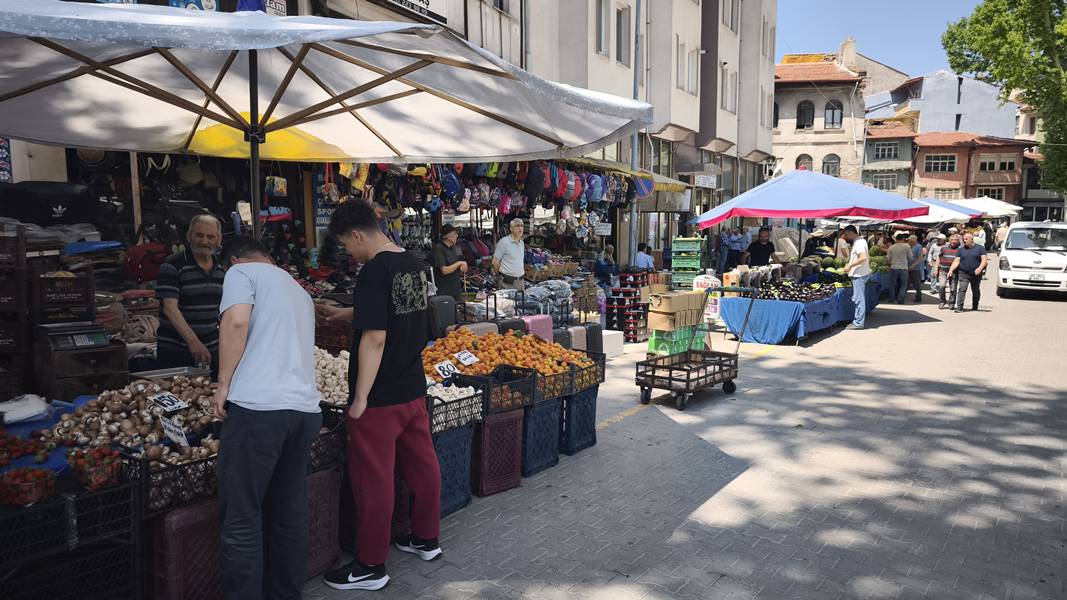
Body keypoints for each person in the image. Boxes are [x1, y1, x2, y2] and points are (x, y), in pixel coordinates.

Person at [321, 200, 442, 592]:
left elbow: (375, 337)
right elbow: (400, 313)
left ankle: (371, 565)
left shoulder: (375, 270)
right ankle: (426, 538)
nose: (350, 254)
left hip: (382, 397)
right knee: (423, 465)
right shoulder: (414, 262)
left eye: (346, 245)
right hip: (412, 386)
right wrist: (344, 315)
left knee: (373, 480)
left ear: (356, 234)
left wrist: (359, 398)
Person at [213, 235, 322, 600]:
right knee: (288, 514)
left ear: (233, 258)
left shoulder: (241, 273)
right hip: (304, 412)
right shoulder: (299, 290)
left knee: (242, 517)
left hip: (259, 410)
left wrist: (223, 383)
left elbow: (236, 324)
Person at [155, 214, 226, 375]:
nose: (204, 241)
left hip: (212, 348)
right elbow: (170, 308)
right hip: (175, 350)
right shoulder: (172, 265)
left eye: (210, 236)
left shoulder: (222, 268)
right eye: (199, 235)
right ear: (189, 236)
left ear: (218, 239)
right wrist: (194, 342)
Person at [948, 231, 988, 313]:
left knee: (975, 290)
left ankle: (975, 305)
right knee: (962, 289)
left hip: (976, 274)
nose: (964, 240)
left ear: (971, 239)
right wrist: (951, 270)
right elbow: (956, 261)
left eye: (966, 239)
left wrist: (980, 268)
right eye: (963, 239)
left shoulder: (980, 248)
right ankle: (959, 307)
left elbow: (984, 260)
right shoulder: (960, 250)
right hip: (963, 273)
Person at [840, 225, 871, 330]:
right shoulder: (860, 241)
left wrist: (850, 265)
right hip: (861, 273)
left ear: (850, 232)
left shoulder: (859, 243)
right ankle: (857, 321)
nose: (846, 236)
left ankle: (858, 323)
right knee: (859, 298)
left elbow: (863, 257)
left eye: (847, 234)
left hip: (859, 274)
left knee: (859, 299)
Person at [430, 224, 467, 300]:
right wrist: (459, 263)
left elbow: (454, 266)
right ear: (447, 236)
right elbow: (444, 270)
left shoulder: (452, 248)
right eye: (454, 233)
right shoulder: (438, 248)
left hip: (455, 289)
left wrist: (462, 267)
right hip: (445, 291)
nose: (457, 236)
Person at [492, 218, 526, 291]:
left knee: (521, 302)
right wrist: (500, 276)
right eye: (517, 226)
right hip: (507, 282)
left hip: (520, 281)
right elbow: (495, 262)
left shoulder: (522, 243)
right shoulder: (504, 242)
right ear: (511, 229)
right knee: (507, 302)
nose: (520, 228)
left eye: (522, 226)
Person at [937, 234, 962, 309]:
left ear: (958, 241)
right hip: (943, 270)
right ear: (949, 240)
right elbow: (939, 257)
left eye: (956, 240)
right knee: (941, 286)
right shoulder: (943, 248)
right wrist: (936, 268)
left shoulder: (960, 249)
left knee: (953, 288)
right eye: (952, 240)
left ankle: (951, 303)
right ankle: (942, 301)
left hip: (955, 271)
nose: (954, 241)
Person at [886, 234, 911, 304]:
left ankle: (891, 298)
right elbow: (910, 257)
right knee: (903, 284)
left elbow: (888, 259)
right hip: (904, 268)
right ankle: (900, 298)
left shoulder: (891, 247)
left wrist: (889, 265)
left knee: (892, 284)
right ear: (903, 239)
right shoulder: (907, 246)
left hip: (893, 267)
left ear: (896, 239)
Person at [906, 235, 926, 303]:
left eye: (909, 240)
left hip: (916, 268)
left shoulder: (918, 246)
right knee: (907, 282)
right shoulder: (909, 246)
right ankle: (902, 296)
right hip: (908, 267)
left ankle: (918, 297)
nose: (908, 241)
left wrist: (912, 266)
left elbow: (920, 258)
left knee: (917, 284)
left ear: (913, 240)